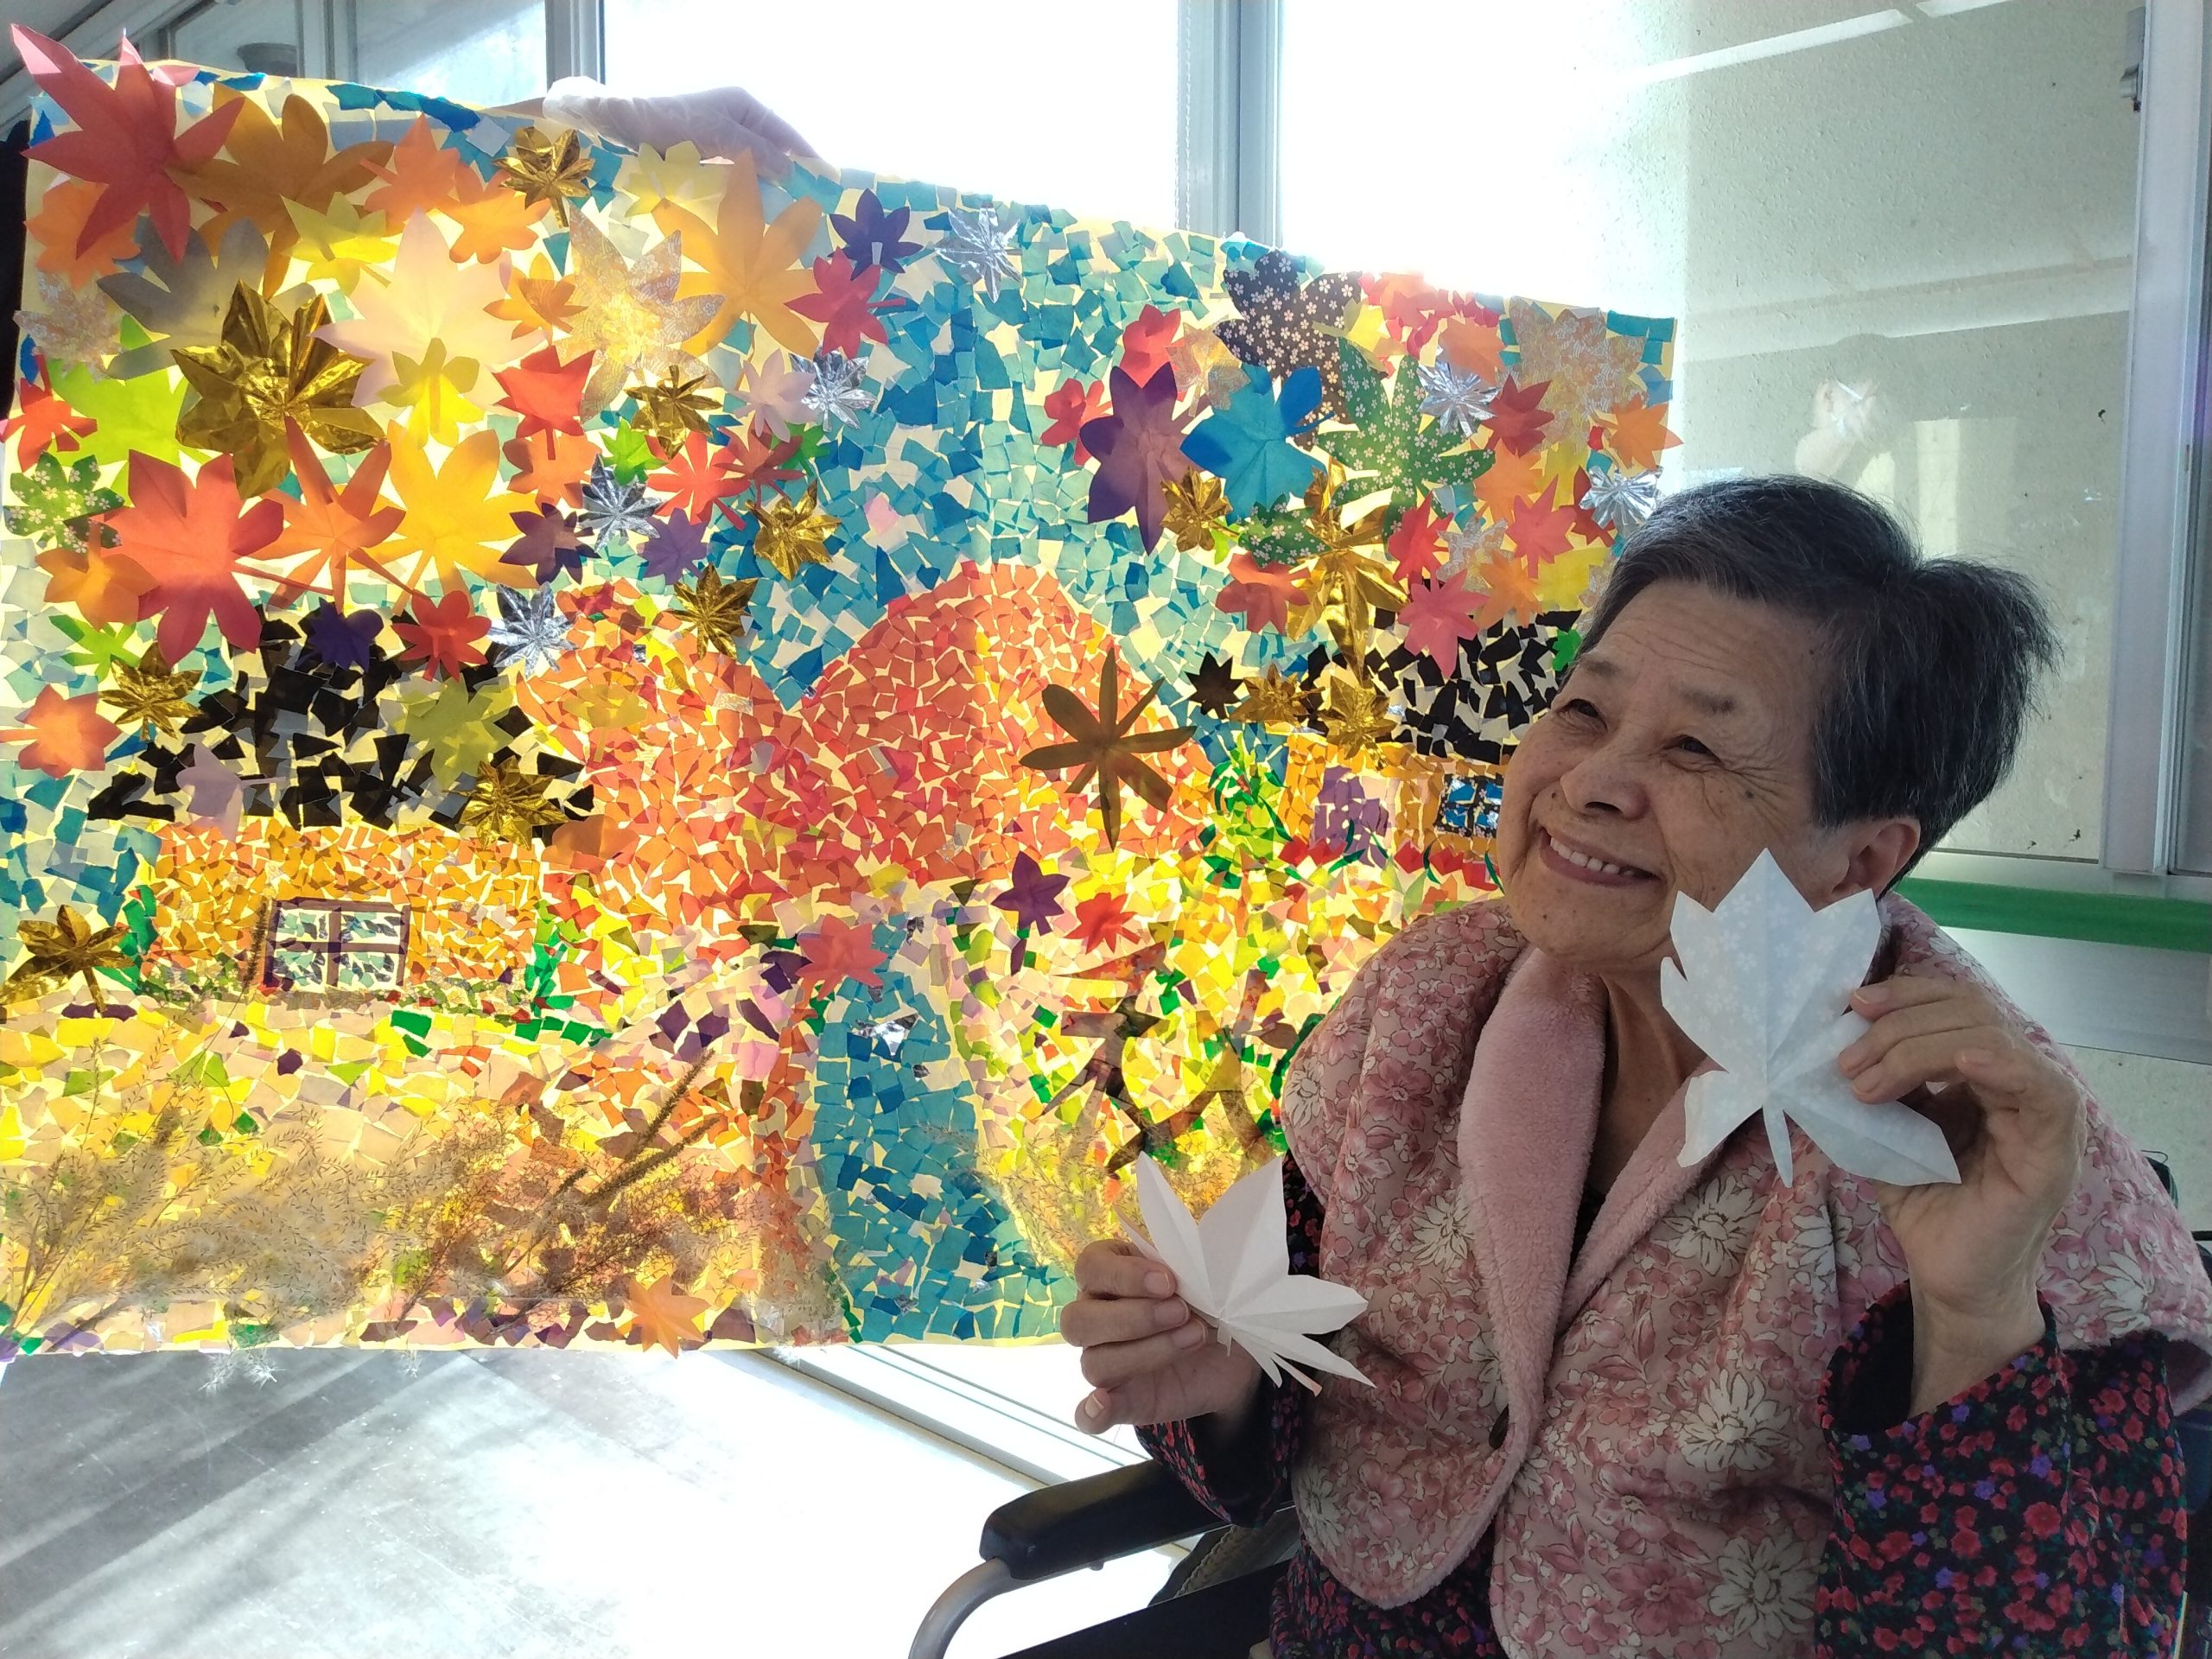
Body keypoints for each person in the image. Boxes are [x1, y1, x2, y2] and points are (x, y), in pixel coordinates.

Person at [1060, 476, 2212, 1657]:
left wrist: (1975, 1319)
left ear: (1863, 860)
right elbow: (1269, 1399)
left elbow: (2075, 1634)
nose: (1591, 783)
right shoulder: (1427, 1002)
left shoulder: (1982, 1139)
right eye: (1584, 711)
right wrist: (1215, 1379)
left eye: (1696, 748)